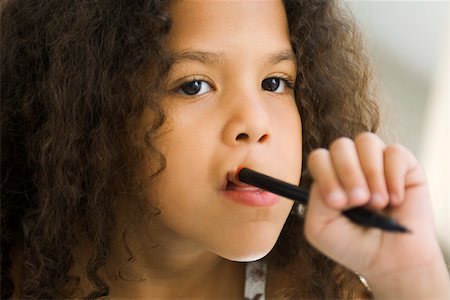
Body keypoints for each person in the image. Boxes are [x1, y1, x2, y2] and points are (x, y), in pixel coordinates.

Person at [1, 0, 449, 299]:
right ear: (88, 108)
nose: (254, 122)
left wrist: (410, 278)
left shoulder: (316, 289)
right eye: (194, 85)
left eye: (275, 83)